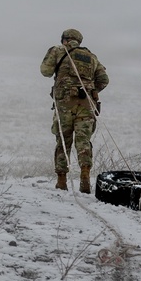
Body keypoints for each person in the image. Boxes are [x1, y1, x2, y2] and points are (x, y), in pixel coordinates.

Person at [40, 28, 109, 193]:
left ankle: (62, 180)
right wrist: (92, 90)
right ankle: (85, 173)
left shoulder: (58, 51)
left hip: (64, 103)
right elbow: (104, 80)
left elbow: (45, 71)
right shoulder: (91, 57)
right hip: (86, 104)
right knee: (83, 141)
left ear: (64, 39)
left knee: (63, 141)